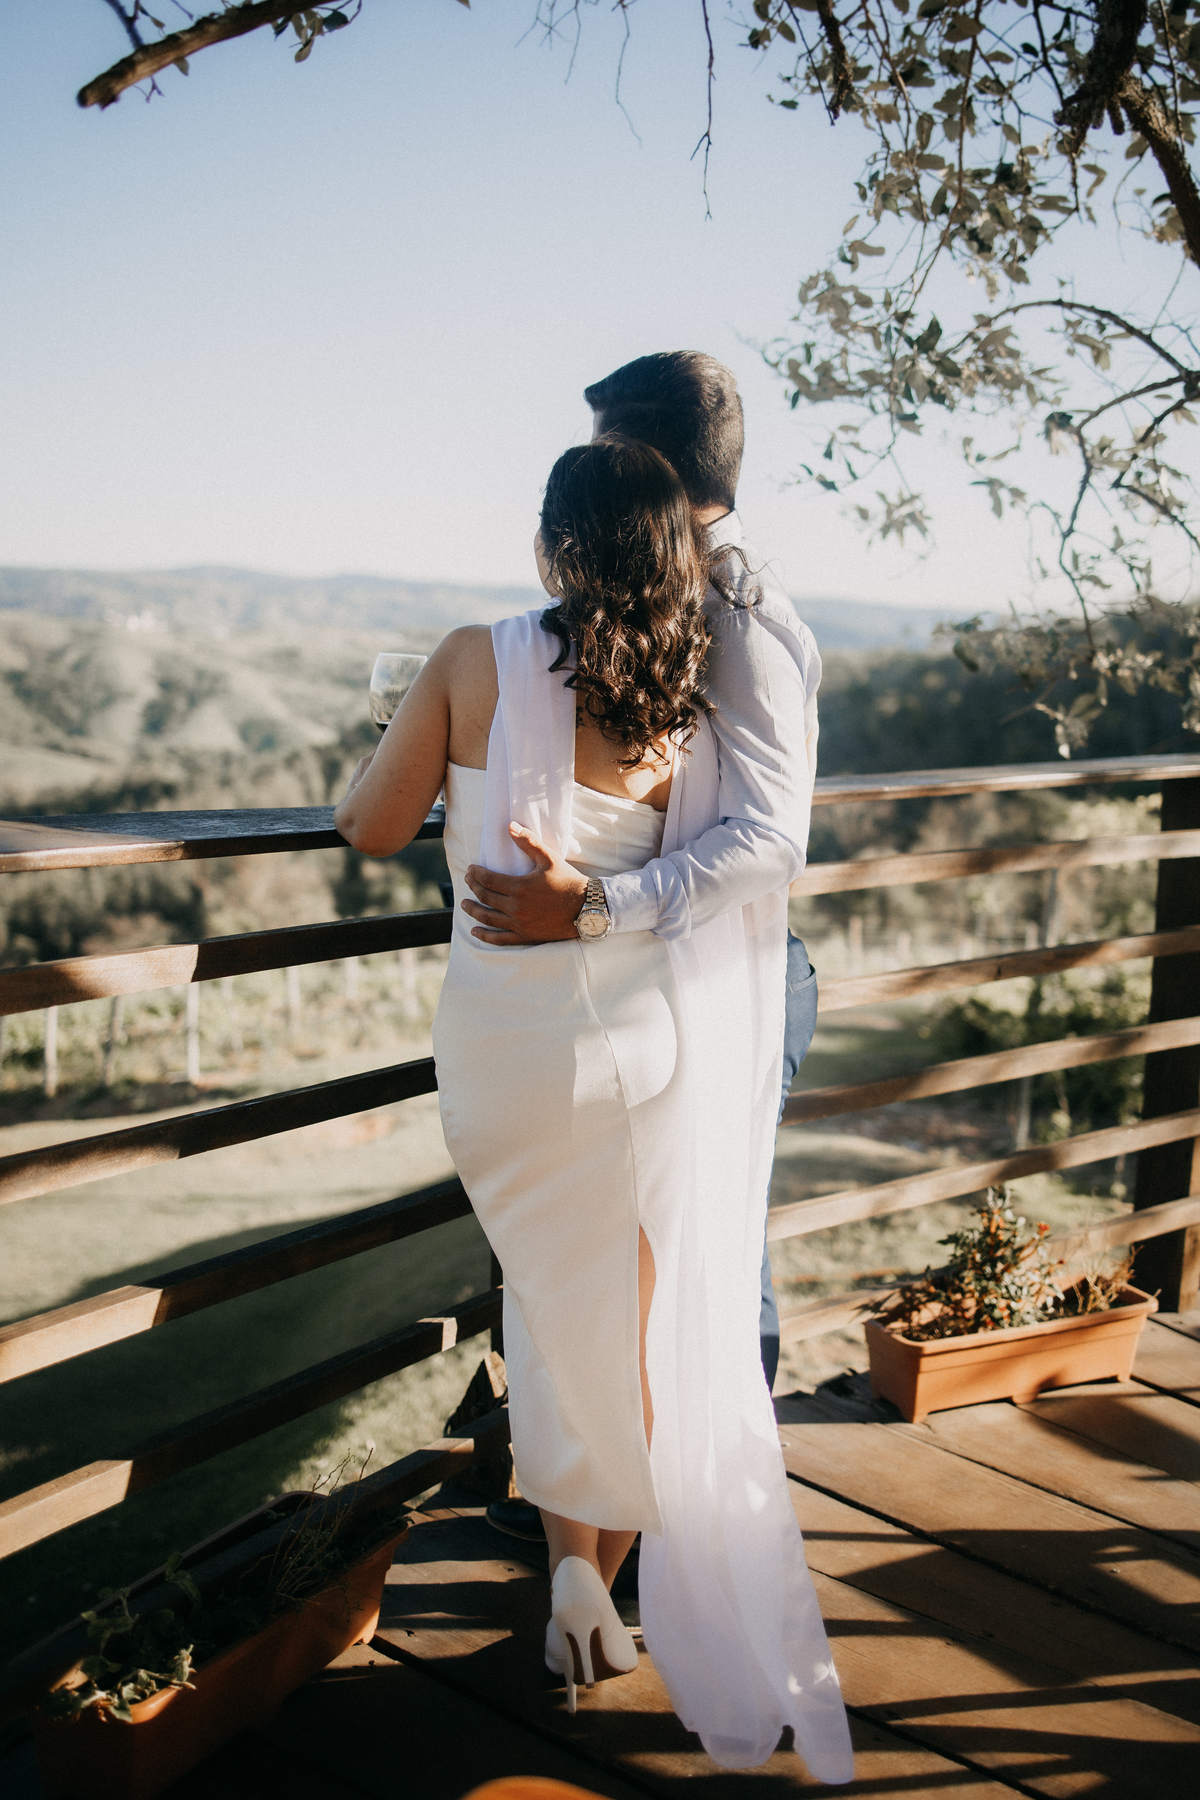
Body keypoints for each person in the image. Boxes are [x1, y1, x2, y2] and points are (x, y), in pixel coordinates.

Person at [334, 436, 852, 1781]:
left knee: (552, 1301)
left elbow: (370, 826)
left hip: (504, 1057)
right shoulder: (682, 698)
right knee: (629, 1317)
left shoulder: (468, 659)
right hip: (642, 1043)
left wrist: (397, 746)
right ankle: (588, 1576)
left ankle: (575, 1569)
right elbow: (733, 855)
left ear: (550, 546)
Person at [462, 353, 821, 1396]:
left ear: (647, 462)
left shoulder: (737, 616)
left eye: (603, 453)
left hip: (726, 970)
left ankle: (703, 1483)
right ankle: (597, 1469)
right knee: (631, 1247)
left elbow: (770, 837)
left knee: (710, 1249)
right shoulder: (657, 603)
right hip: (656, 970)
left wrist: (595, 906)